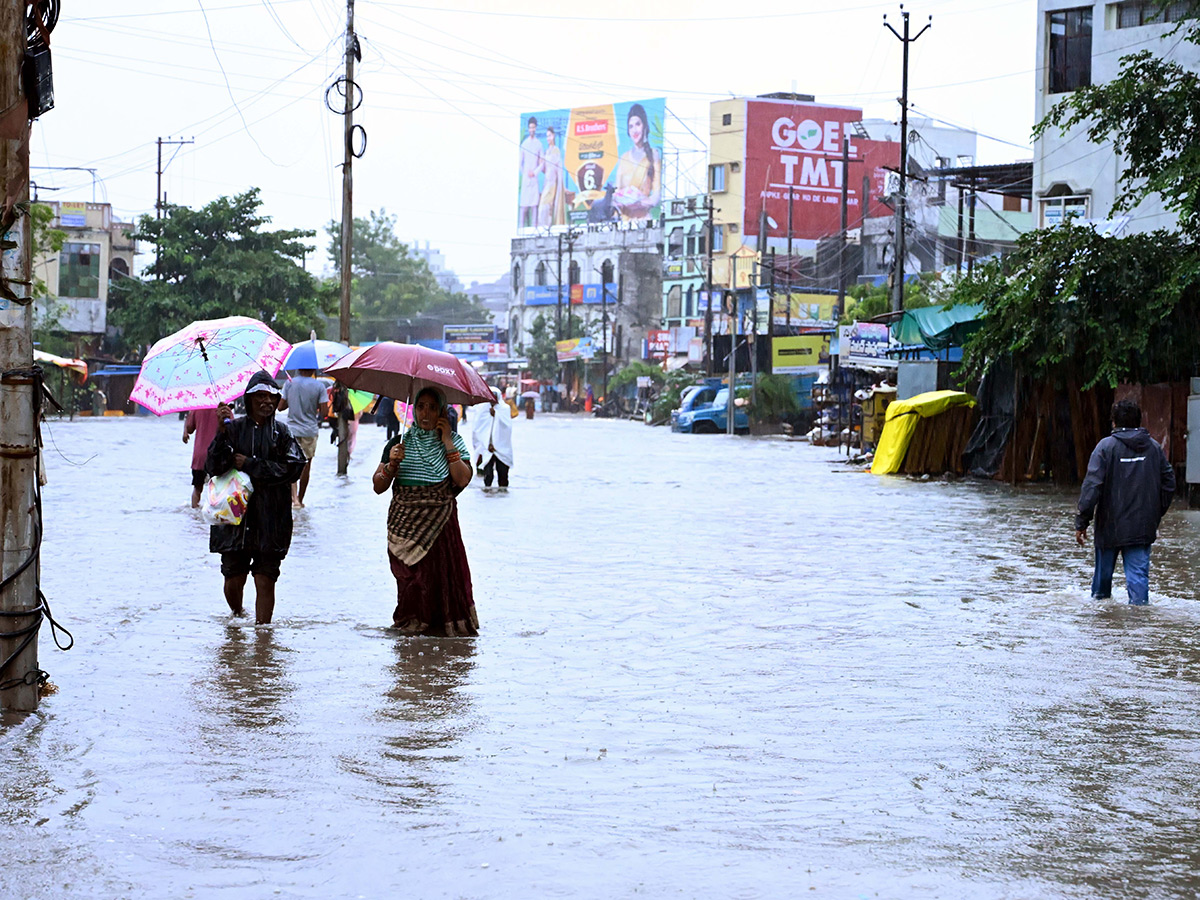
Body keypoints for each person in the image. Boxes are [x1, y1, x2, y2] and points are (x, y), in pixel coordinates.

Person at [373, 387, 478, 635]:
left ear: (442, 411)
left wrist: (448, 442)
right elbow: (378, 486)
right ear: (413, 410)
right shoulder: (398, 444)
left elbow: (463, 479)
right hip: (404, 525)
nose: (425, 413)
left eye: (432, 407)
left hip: (440, 525)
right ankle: (410, 628)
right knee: (411, 582)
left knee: (439, 580)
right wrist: (392, 464)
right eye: (421, 407)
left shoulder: (454, 442)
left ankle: (437, 635)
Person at [208, 371, 307, 624]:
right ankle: (238, 616)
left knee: (266, 579)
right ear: (248, 399)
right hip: (234, 519)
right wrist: (221, 432)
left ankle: (264, 637)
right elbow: (214, 466)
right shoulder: (233, 429)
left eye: (272, 397)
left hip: (272, 518)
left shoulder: (282, 434)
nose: (267, 402)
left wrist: (252, 464)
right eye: (260, 397)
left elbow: (294, 468)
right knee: (233, 578)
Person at [1075, 398, 1176, 605]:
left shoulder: (1105, 447)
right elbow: (1169, 484)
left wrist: (1082, 522)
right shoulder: (1153, 448)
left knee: (1100, 592)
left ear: (1114, 422)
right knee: (1139, 589)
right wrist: (1155, 512)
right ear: (1139, 421)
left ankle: (1101, 629)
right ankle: (1138, 632)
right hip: (1141, 527)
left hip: (1109, 526)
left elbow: (1092, 487)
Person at [278, 369, 328, 508]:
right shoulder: (319, 386)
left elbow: (280, 407)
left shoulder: (289, 383)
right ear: (313, 369)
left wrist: (293, 401)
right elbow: (325, 412)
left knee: (291, 463)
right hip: (309, 431)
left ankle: (293, 499)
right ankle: (300, 499)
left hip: (291, 430)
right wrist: (315, 404)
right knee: (306, 466)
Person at [613, 103, 660, 219]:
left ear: (644, 126)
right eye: (631, 126)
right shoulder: (624, 158)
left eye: (638, 124)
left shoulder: (653, 154)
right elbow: (617, 192)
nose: (634, 130)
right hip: (624, 222)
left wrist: (640, 203)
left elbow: (657, 194)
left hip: (644, 222)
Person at [472, 386, 514, 490]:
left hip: (501, 448)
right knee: (488, 476)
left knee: (503, 476)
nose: (492, 400)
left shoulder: (504, 409)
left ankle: (502, 495)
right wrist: (485, 445)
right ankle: (488, 493)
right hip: (486, 448)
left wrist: (497, 416)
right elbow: (478, 429)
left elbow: (507, 428)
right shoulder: (482, 409)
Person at [183, 407, 220, 508]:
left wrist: (187, 419)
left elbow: (190, 429)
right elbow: (232, 428)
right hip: (217, 455)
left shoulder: (197, 409)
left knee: (197, 488)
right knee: (217, 489)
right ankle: (213, 513)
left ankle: (195, 515)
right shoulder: (223, 409)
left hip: (199, 456)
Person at [537, 124, 566, 228]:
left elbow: (557, 169)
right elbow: (545, 169)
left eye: (549, 136)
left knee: (545, 207)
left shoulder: (555, 151)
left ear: (553, 136)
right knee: (544, 207)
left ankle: (546, 226)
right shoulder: (547, 151)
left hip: (552, 184)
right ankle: (545, 227)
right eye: (547, 136)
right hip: (546, 183)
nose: (548, 138)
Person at [518, 116, 543, 229]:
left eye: (533, 127)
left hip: (534, 179)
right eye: (530, 128)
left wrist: (535, 172)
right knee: (523, 207)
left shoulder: (539, 144)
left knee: (534, 207)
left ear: (536, 128)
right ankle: (521, 230)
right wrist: (525, 173)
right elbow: (519, 163)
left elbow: (542, 162)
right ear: (528, 129)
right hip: (526, 180)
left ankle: (534, 230)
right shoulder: (524, 144)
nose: (532, 130)